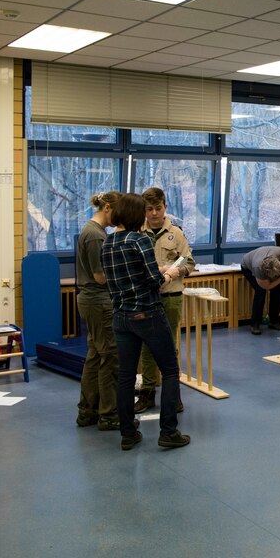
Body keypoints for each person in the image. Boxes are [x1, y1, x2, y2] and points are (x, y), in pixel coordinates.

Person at [100, 193, 190, 451]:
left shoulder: (107, 243)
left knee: (126, 376)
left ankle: (128, 433)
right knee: (171, 370)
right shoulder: (139, 240)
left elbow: (119, 278)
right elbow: (153, 281)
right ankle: (168, 432)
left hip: (121, 317)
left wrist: (154, 272)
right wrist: (169, 273)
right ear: (136, 215)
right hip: (147, 314)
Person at [133, 187, 195, 414]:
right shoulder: (138, 233)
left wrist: (170, 272)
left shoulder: (175, 233)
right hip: (147, 298)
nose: (154, 214)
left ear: (165, 207)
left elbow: (188, 262)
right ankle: (148, 392)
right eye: (149, 209)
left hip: (171, 297)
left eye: (158, 208)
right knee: (147, 346)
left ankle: (173, 395)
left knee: (170, 346)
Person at [75, 191, 122, 431]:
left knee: (95, 355)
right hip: (98, 300)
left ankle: (88, 410)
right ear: (107, 209)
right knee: (110, 357)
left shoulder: (95, 232)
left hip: (94, 300)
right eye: (118, 211)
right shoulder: (95, 236)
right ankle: (108, 413)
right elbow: (100, 276)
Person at [240, 246, 280, 335]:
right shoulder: (258, 268)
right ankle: (255, 324)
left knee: (277, 290)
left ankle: (274, 321)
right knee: (260, 292)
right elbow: (266, 286)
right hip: (247, 266)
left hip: (268, 257)